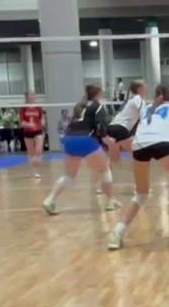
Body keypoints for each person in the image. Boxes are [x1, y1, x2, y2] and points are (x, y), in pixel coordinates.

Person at [107, 84, 169, 250]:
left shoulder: (147, 108)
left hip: (138, 146)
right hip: (161, 143)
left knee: (141, 194)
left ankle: (117, 233)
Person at [43, 85, 119, 215]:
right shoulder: (98, 106)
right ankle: (111, 201)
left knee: (69, 176)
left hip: (69, 139)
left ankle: (50, 199)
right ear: (98, 94)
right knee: (105, 169)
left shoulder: (79, 105)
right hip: (86, 139)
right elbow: (101, 128)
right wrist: (108, 141)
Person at [20, 93, 46, 178]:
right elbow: (22, 122)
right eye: (30, 97)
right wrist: (29, 125)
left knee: (38, 151)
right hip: (28, 132)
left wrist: (42, 123)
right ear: (27, 98)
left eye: (33, 97)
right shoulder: (23, 108)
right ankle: (35, 171)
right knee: (31, 153)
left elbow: (42, 118)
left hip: (38, 131)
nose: (32, 98)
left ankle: (37, 169)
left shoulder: (38, 107)